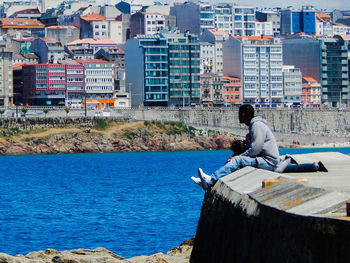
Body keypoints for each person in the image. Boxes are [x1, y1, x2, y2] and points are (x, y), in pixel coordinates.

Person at [191, 104, 280, 190]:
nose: (238, 117)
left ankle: (210, 180)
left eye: (239, 114)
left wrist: (239, 157)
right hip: (264, 160)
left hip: (269, 162)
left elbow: (256, 148)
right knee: (236, 160)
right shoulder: (255, 125)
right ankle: (208, 180)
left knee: (237, 160)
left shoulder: (257, 125)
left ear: (243, 114)